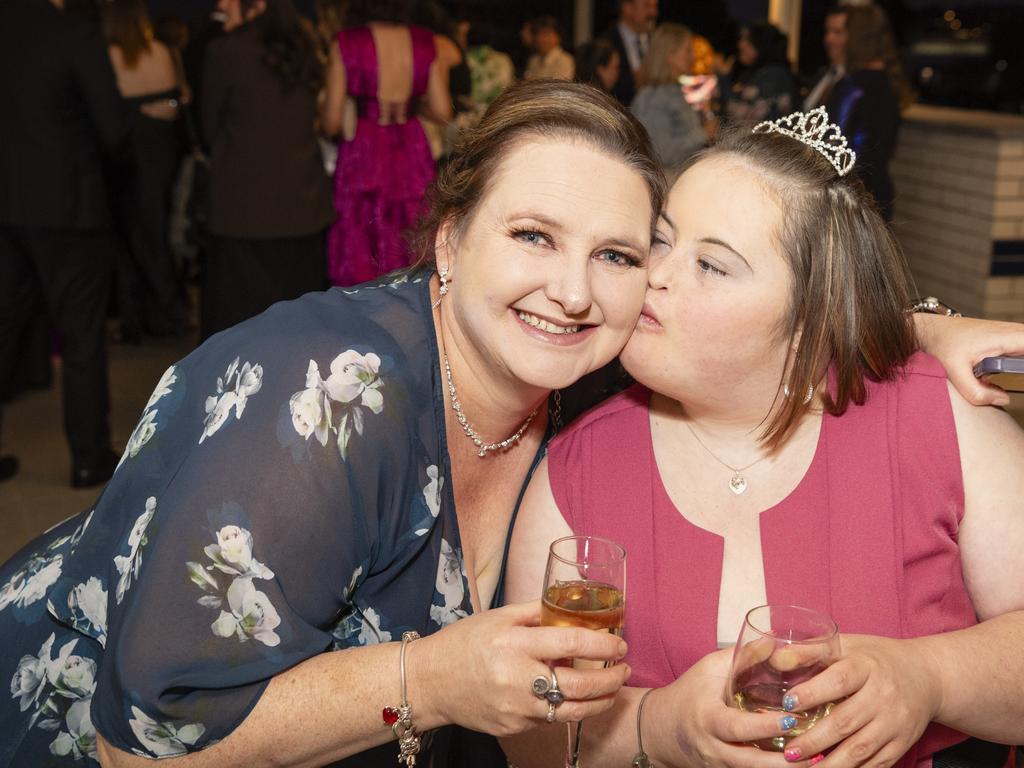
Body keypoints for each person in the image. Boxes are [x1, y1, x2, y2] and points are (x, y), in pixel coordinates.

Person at [0, 80, 662, 768]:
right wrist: (431, 682)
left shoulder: (577, 398)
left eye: (616, 256)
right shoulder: (323, 398)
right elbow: (141, 748)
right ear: (450, 242)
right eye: (533, 235)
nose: (576, 292)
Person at [503, 109, 1024, 767]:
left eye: (712, 266)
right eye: (661, 242)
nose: (655, 275)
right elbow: (530, 741)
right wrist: (658, 727)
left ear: (809, 320)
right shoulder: (575, 471)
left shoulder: (943, 420)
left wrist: (929, 678)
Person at [0, 0, 127, 488]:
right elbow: (113, 131)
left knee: (4, 330)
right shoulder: (75, 33)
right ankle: (89, 457)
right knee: (81, 336)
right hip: (68, 207)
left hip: (6, 208)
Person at [200, 0, 334, 340]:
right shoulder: (303, 47)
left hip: (244, 212)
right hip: (303, 205)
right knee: (298, 331)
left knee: (242, 335)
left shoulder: (226, 51)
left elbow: (206, 128)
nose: (221, 4)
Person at [320, 0, 451, 287]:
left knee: (360, 235)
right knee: (412, 232)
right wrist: (412, 107)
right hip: (411, 146)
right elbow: (443, 110)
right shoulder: (425, 42)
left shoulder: (346, 43)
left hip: (364, 148)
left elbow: (330, 122)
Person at [102, 0, 189, 343]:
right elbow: (177, 102)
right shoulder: (162, 52)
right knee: (155, 235)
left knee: (130, 241)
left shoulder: (111, 56)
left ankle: (141, 319)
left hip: (127, 158)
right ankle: (167, 313)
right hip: (160, 154)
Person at [826, 4, 911, 221]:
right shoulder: (889, 84)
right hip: (879, 196)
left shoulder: (852, 87)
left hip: (849, 200)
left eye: (842, 32)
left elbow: (833, 148)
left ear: (855, 38)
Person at [631, 24, 708, 177]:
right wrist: (703, 133)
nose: (693, 57)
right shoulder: (652, 97)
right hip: (666, 186)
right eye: (687, 50)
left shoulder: (676, 91)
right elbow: (661, 152)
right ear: (669, 54)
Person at [717, 21, 798, 123]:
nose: (740, 45)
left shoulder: (774, 77)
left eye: (747, 40)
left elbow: (744, 117)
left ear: (760, 44)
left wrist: (723, 78)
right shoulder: (763, 74)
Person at [602, 0, 659, 106]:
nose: (653, 12)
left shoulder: (659, 42)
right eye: (647, 6)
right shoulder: (606, 43)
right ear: (627, 8)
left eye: (655, 6)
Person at [803, 6, 848, 110]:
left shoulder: (855, 82)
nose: (829, 38)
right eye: (827, 31)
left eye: (838, 32)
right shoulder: (823, 74)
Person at [523, 16, 575, 81]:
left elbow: (560, 87)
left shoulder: (564, 60)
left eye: (546, 34)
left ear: (558, 37)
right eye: (538, 34)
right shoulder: (534, 60)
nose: (541, 38)